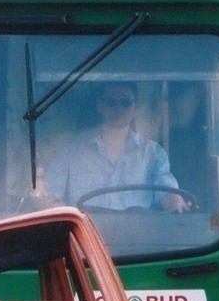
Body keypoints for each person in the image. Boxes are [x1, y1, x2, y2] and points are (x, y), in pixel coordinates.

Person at [42, 81, 190, 212]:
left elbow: (167, 192)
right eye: (111, 102)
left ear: (135, 107)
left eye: (125, 103)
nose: (118, 109)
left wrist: (175, 202)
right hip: (84, 239)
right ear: (100, 105)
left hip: (141, 239)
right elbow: (49, 199)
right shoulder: (69, 151)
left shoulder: (153, 154)